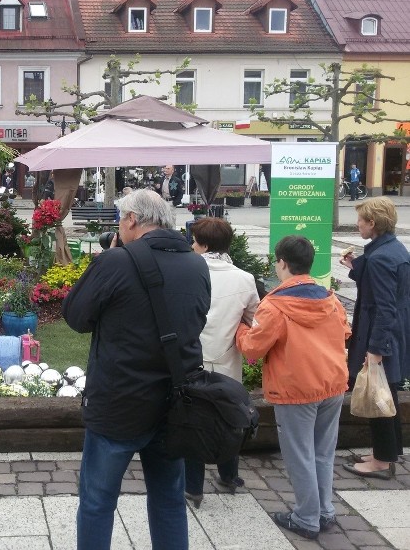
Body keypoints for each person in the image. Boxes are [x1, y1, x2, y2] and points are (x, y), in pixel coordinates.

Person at [63, 189, 210, 550]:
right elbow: (197, 318)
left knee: (98, 501)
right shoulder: (196, 264)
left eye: (120, 219)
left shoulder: (116, 262)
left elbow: (76, 317)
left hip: (120, 401)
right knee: (169, 498)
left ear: (130, 220)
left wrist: (108, 260)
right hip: (175, 402)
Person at [237, 235, 350, 540]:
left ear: (283, 263)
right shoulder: (330, 298)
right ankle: (324, 510)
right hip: (333, 384)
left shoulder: (274, 305)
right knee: (323, 453)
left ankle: (307, 517)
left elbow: (252, 349)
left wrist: (241, 328)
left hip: (296, 389)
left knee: (300, 455)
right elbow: (345, 331)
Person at [183, 218, 260, 508]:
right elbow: (255, 319)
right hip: (227, 360)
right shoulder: (244, 278)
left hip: (192, 359)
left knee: (192, 422)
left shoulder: (187, 273)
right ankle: (229, 476)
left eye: (194, 241)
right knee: (230, 419)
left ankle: (193, 487)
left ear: (203, 245)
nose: (191, 245)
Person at [340, 197, 409, 479]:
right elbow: (385, 290)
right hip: (395, 329)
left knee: (377, 393)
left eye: (360, 221)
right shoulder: (392, 248)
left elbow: (383, 306)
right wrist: (356, 267)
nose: (357, 225)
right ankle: (388, 451)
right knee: (387, 391)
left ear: (373, 223)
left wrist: (375, 349)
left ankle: (380, 462)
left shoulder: (381, 257)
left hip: (381, 332)